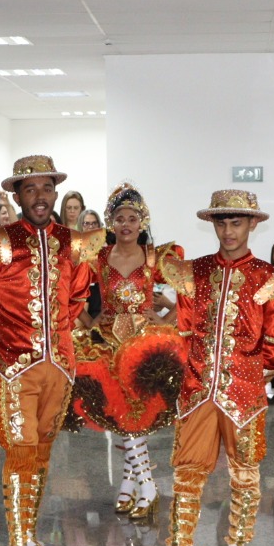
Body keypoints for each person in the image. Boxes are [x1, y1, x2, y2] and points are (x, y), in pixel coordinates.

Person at [148, 190, 274, 546]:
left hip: (245, 393)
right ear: (213, 225)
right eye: (221, 223)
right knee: (186, 475)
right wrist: (194, 377)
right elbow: (182, 334)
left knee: (244, 474)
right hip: (198, 390)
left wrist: (247, 377)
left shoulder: (271, 279)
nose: (228, 231)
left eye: (236, 222)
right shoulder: (193, 273)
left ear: (252, 224)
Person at [0, 155, 99, 546]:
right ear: (17, 196)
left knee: (41, 455)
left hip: (59, 365)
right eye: (30, 190)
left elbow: (78, 298)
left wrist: (56, 337)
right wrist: (6, 340)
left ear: (56, 193)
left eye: (47, 189)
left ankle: (31, 539)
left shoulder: (72, 242)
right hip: (13, 368)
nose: (40, 197)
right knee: (19, 453)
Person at [69, 184, 185, 522]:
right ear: (110, 223)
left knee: (136, 415)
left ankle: (143, 487)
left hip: (144, 344)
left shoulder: (155, 256)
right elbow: (70, 291)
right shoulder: (99, 257)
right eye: (119, 219)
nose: (125, 225)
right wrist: (89, 320)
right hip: (107, 343)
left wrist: (167, 316)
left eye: (132, 219)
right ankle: (130, 485)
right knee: (120, 414)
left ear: (142, 222)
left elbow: (190, 289)